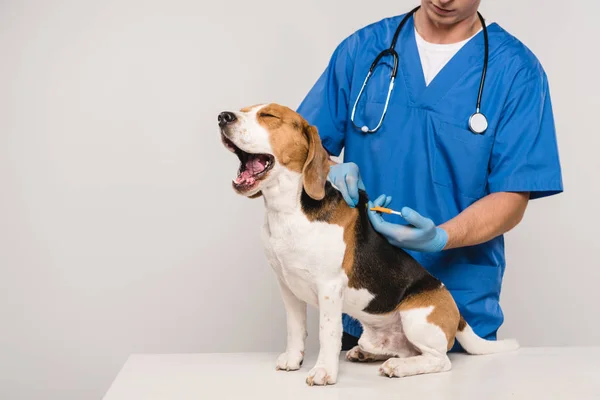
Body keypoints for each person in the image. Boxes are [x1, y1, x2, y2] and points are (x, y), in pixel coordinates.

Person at [296, 0, 563, 352]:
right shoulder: (363, 50)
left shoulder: (517, 71)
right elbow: (303, 147)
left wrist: (440, 238)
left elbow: (512, 198)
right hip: (363, 304)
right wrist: (331, 170)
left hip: (452, 312)